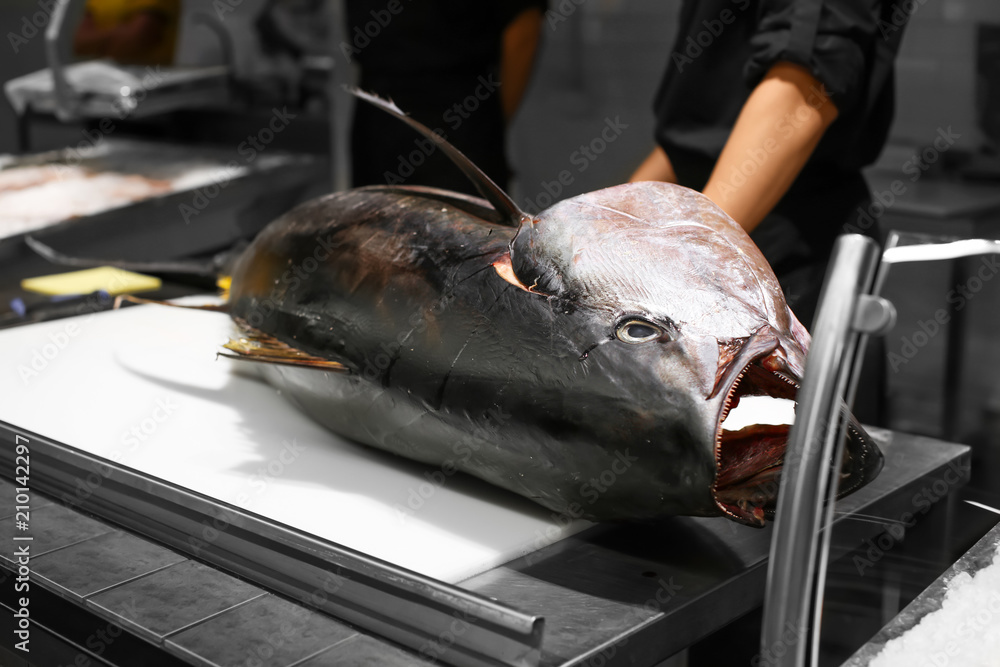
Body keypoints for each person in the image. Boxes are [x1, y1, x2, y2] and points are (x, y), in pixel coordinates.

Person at [631, 0, 908, 330]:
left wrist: (675, 267)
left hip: (778, 261)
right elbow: (696, 142)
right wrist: (597, 229)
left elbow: (804, 87)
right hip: (704, 231)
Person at [346, 1, 546, 196]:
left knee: (464, 224)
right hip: (374, 114)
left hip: (458, 114)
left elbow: (523, 28)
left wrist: (492, 130)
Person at [74, 0, 182, 66]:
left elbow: (138, 40)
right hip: (106, 82)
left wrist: (98, 42)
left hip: (148, 84)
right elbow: (79, 43)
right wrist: (118, 34)